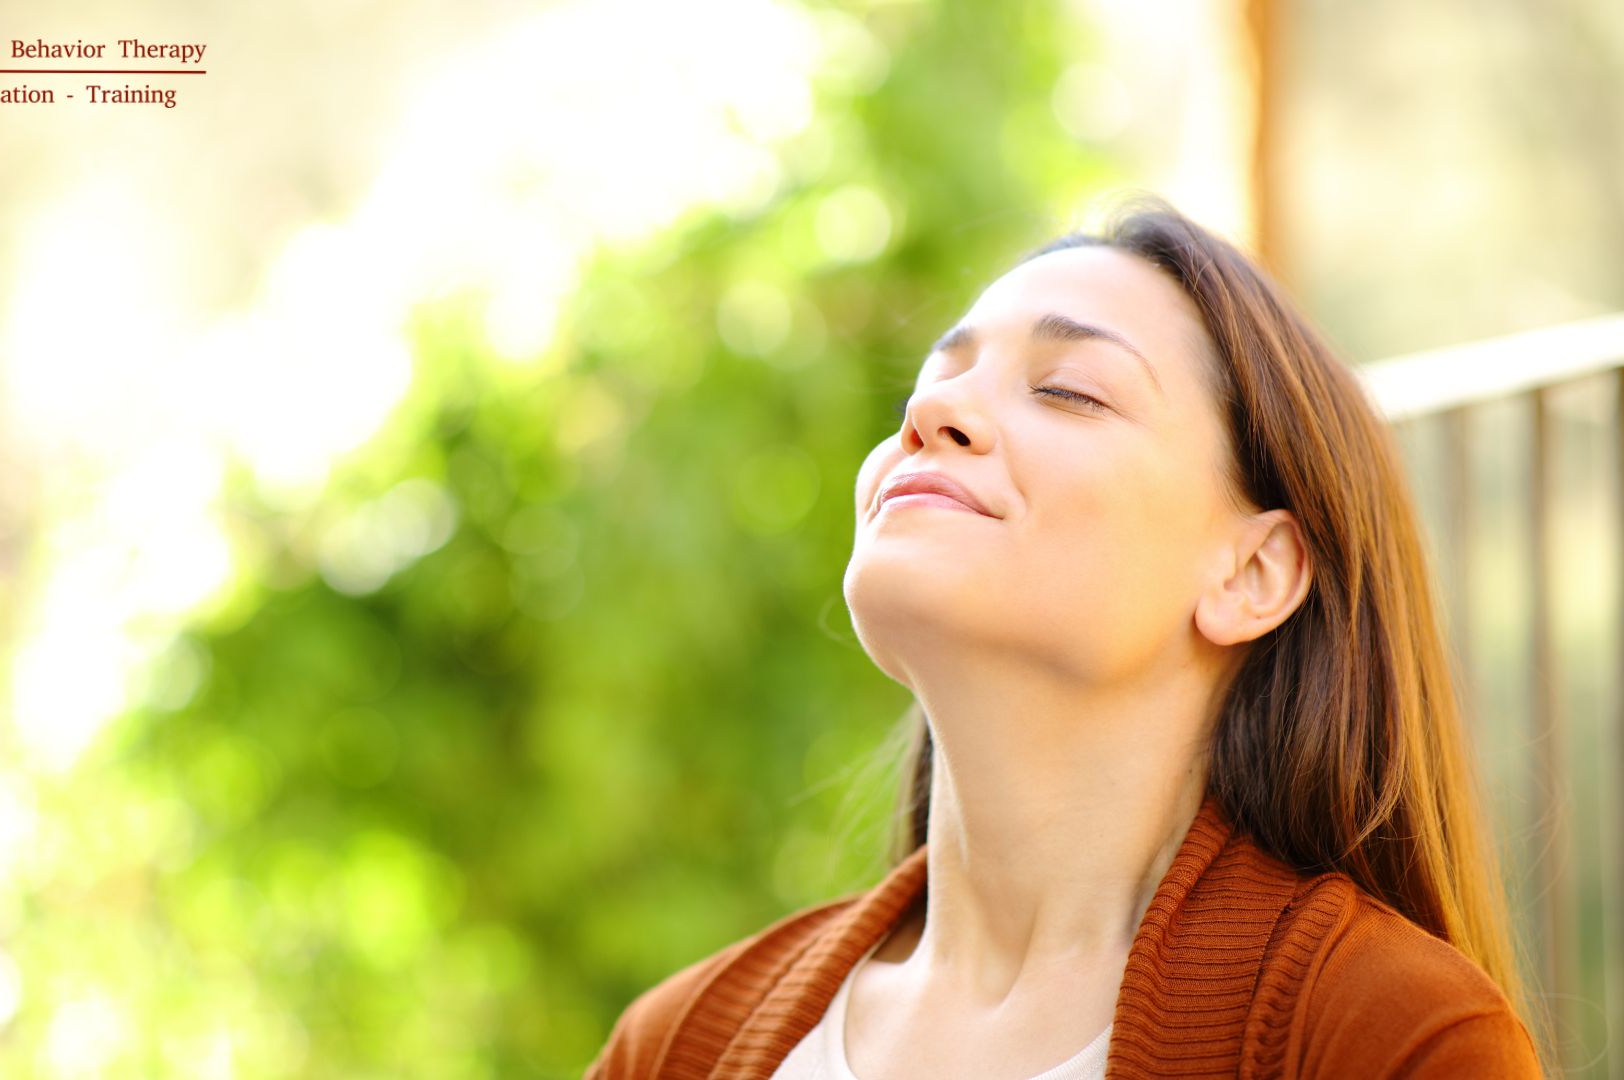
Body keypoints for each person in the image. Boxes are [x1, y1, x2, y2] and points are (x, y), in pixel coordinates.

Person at [582, 194, 1548, 1079]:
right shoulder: (671, 1047)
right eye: (930, 385)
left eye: (1070, 391)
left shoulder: (1387, 1039)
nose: (931, 413)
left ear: (1251, 574)